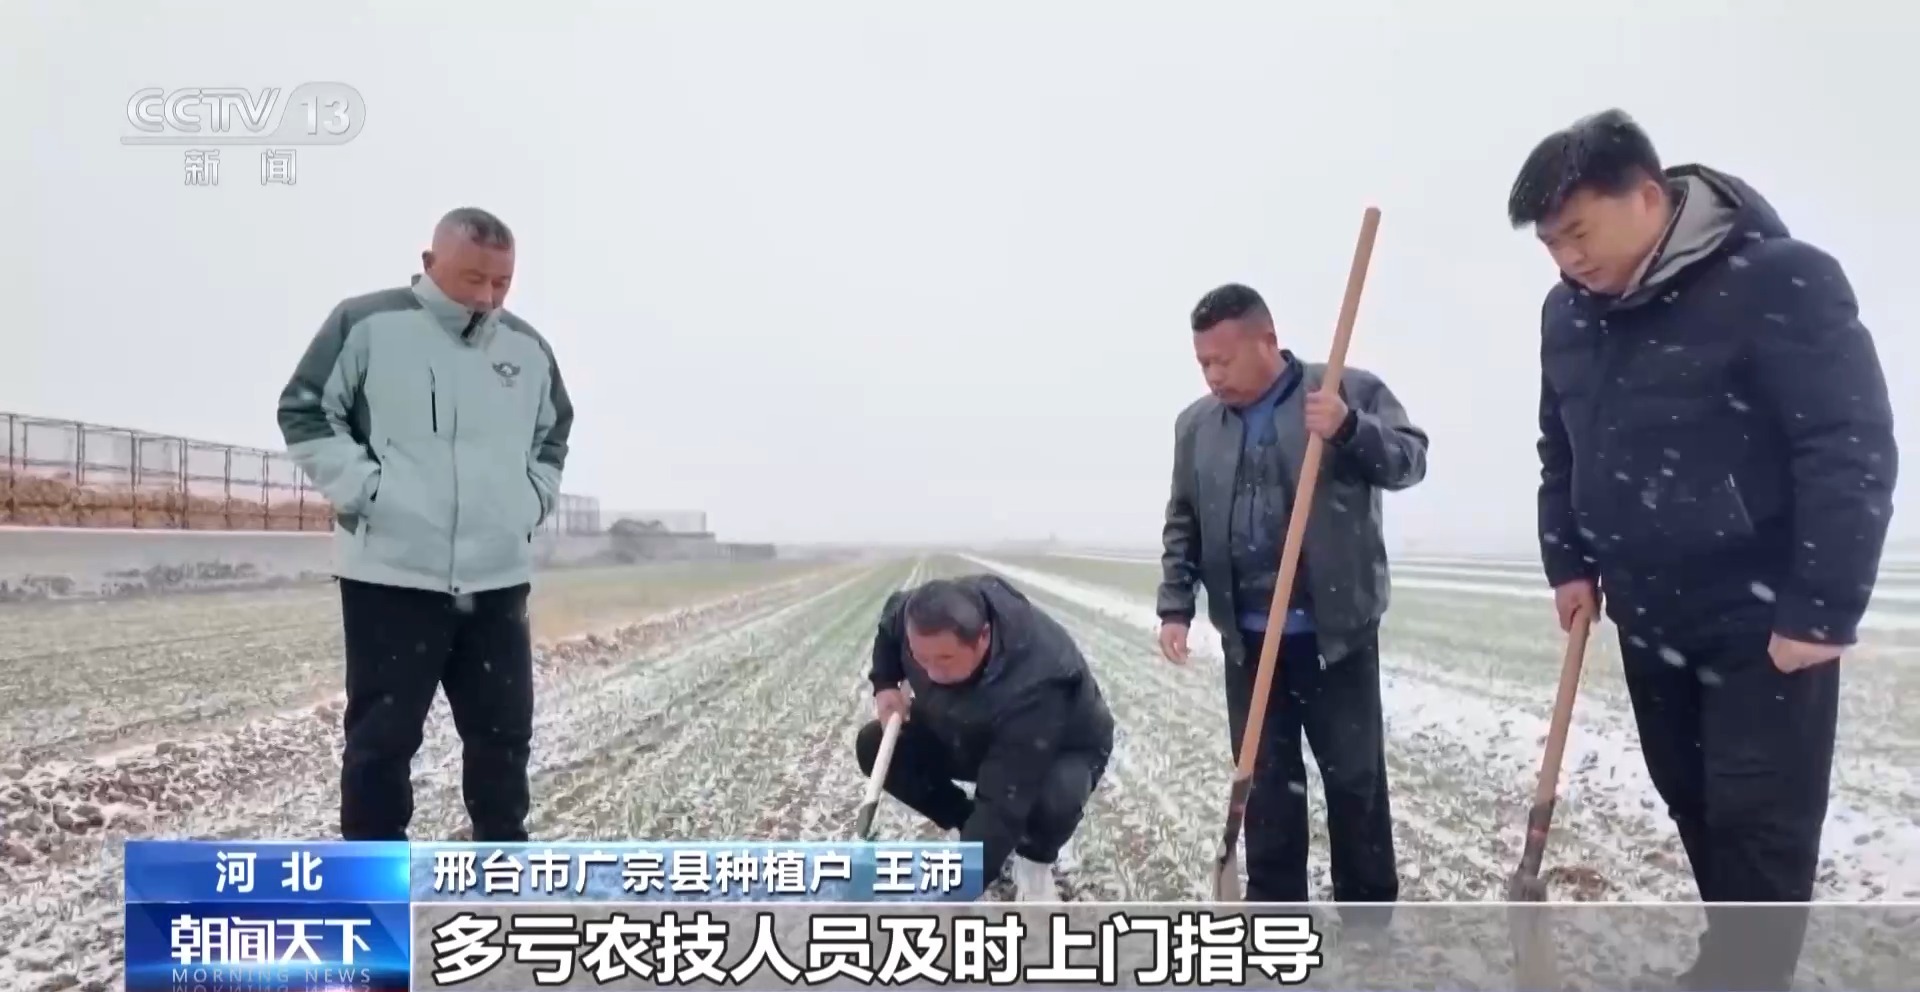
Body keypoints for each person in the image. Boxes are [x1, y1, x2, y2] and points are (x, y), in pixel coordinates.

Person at [1508, 110, 1896, 991]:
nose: (1567, 258)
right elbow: (1561, 449)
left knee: (1760, 821)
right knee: (1694, 799)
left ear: (1647, 197)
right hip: (1649, 612)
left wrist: (1821, 608)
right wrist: (1567, 561)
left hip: (1763, 617)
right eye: (1550, 244)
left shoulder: (1778, 280)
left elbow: (1848, 444)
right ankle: (1735, 961)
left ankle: (1749, 973)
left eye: (1579, 233)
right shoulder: (1568, 315)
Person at [276, 207, 575, 842]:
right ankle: (374, 883)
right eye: (473, 279)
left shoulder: (527, 350)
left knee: (503, 739)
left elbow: (552, 437)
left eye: (501, 282)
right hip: (391, 576)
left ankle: (502, 873)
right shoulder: (366, 325)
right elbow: (305, 412)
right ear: (430, 262)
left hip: (496, 580)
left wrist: (530, 501)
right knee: (381, 746)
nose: (487, 296)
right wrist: (370, 493)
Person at [1156, 283, 1428, 916]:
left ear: (1267, 341)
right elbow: (1183, 519)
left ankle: (1368, 914)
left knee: (1355, 781)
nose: (1213, 375)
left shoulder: (1343, 391)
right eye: (1203, 363)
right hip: (1249, 643)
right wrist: (1175, 605)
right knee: (1265, 787)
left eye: (1224, 360)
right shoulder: (1196, 426)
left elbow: (1410, 461)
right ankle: (1275, 911)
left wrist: (1350, 429)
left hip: (1336, 636)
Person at [858, 575, 1115, 902]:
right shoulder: (915, 613)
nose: (932, 673)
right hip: (966, 722)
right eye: (920, 658)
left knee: (1057, 794)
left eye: (945, 659)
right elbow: (889, 627)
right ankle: (966, 826)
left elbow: (1003, 802)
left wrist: (956, 892)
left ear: (983, 637)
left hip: (1057, 744)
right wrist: (884, 683)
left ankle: (1033, 864)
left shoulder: (1038, 679)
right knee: (875, 745)